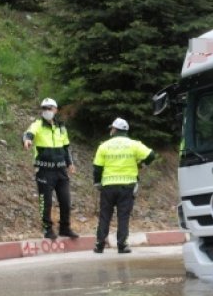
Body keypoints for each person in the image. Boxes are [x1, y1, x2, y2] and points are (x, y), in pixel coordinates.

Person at [92, 117, 155, 254]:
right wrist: (140, 165)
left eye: (112, 128)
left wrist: (97, 183)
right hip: (127, 185)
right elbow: (151, 155)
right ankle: (122, 245)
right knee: (123, 216)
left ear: (115, 130)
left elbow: (97, 167)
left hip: (108, 185)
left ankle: (99, 244)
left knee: (105, 215)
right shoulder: (134, 144)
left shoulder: (104, 146)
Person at [22, 97, 79, 240]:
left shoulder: (61, 127)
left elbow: (66, 147)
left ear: (55, 110)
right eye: (44, 108)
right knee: (45, 201)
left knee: (65, 201)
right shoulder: (37, 124)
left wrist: (69, 163)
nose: (46, 111)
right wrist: (27, 139)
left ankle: (65, 228)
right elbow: (29, 133)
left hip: (61, 171)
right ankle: (47, 229)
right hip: (44, 171)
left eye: (49, 108)